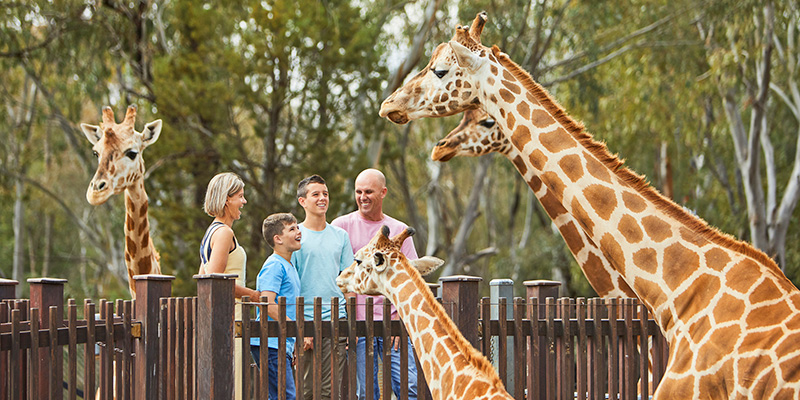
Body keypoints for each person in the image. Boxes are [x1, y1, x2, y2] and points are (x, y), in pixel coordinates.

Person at [331, 168, 419, 400]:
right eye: (358, 191)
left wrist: (401, 318)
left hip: (393, 323)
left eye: (369, 191)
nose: (362, 197)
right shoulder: (341, 227)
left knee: (409, 388)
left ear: (383, 192)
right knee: (366, 393)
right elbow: (336, 276)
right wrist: (348, 321)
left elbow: (411, 279)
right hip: (359, 325)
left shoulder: (399, 230)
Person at [291, 174, 354, 400]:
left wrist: (350, 321)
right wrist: (299, 326)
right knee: (306, 389)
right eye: (315, 194)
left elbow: (348, 282)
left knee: (330, 391)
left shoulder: (340, 236)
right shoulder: (294, 235)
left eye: (325, 194)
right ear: (302, 201)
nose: (322, 198)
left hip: (336, 319)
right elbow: (291, 283)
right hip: (305, 320)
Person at [199, 172, 260, 400]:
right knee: (234, 384)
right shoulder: (224, 232)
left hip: (223, 316)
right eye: (240, 197)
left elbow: (203, 274)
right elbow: (216, 282)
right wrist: (253, 295)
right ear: (227, 199)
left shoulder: (211, 232)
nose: (243, 202)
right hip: (231, 316)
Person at [251, 213, 302, 400]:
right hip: (270, 343)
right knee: (286, 396)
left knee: (280, 395)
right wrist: (294, 328)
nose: (299, 231)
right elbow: (266, 304)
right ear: (277, 238)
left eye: (297, 227)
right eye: (292, 229)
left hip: (281, 343)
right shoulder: (274, 265)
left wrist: (292, 342)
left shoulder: (289, 266)